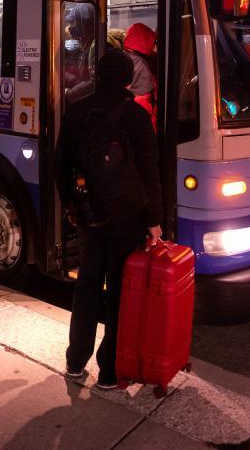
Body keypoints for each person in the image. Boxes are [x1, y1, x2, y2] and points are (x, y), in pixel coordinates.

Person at [56, 49, 163, 389]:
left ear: (96, 75)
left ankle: (75, 362)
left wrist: (72, 205)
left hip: (90, 214)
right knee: (118, 291)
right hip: (126, 216)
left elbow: (61, 164)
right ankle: (109, 372)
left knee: (86, 285)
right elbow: (149, 172)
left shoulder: (77, 111)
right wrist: (154, 221)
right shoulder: (136, 116)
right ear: (128, 79)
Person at [123, 23, 158, 127]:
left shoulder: (125, 57)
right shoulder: (141, 66)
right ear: (146, 41)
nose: (155, 46)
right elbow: (143, 102)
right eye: (154, 42)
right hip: (142, 121)